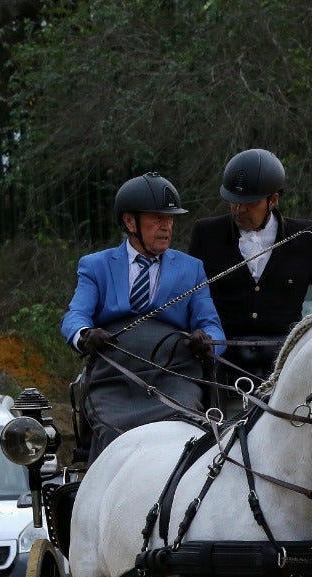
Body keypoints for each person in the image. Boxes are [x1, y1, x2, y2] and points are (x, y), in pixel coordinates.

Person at [60, 171, 224, 459]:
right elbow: (75, 317)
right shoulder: (96, 266)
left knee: (186, 431)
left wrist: (208, 341)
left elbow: (211, 324)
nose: (166, 226)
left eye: (171, 219)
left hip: (174, 377)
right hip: (116, 379)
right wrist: (85, 336)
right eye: (157, 218)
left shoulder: (191, 268)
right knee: (113, 435)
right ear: (129, 222)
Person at [187, 148, 312, 386]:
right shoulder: (206, 233)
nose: (239, 209)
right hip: (221, 361)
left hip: (286, 363)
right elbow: (192, 293)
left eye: (250, 203)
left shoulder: (305, 236)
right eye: (234, 201)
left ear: (273, 200)